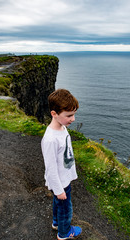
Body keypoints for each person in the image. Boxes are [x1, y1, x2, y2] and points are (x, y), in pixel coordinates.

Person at [41, 89, 82, 240]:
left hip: (63, 179)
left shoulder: (62, 127)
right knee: (66, 208)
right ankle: (64, 233)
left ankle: (57, 223)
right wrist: (59, 190)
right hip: (60, 182)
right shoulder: (51, 139)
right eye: (69, 115)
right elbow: (50, 169)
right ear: (54, 114)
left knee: (58, 204)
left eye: (74, 114)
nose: (73, 119)